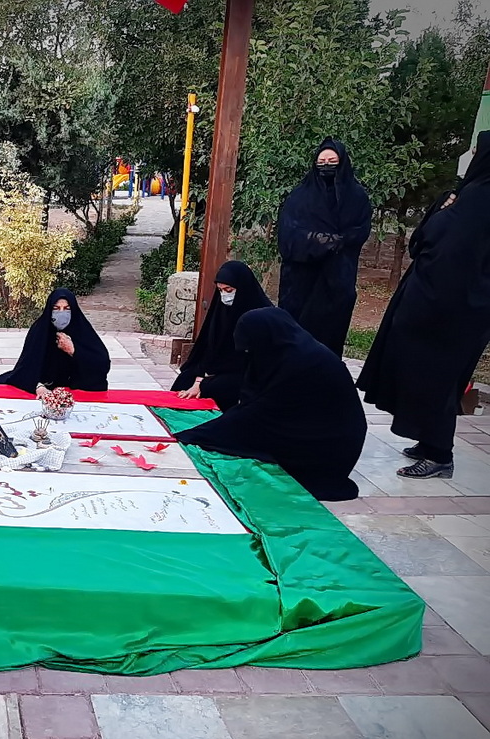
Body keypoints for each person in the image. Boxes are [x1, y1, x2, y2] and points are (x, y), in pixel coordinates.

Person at [356, 130, 490, 479]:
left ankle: (440, 455)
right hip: (441, 306)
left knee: (437, 378)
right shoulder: (469, 194)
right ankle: (428, 440)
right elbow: (427, 242)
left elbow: (441, 246)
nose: (470, 155)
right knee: (423, 373)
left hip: (450, 313)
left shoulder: (481, 202)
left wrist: (444, 211)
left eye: (476, 150)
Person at [176, 307, 367, 502]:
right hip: (317, 429)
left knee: (247, 435)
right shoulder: (289, 350)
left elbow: (257, 414)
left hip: (328, 448)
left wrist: (194, 435)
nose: (250, 355)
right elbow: (248, 388)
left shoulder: (302, 363)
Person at [277, 138, 372, 357]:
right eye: (321, 162)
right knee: (294, 337)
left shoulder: (357, 197)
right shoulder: (300, 196)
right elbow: (288, 234)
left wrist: (339, 241)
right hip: (301, 282)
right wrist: (321, 241)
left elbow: (361, 230)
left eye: (332, 161)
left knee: (328, 339)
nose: (326, 166)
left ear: (342, 163)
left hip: (337, 280)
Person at [171, 261, 273, 410]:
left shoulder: (261, 314)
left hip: (246, 372)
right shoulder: (221, 310)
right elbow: (209, 346)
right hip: (217, 369)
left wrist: (205, 381)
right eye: (220, 290)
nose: (224, 295)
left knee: (213, 388)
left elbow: (253, 358)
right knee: (186, 378)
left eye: (228, 290)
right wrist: (200, 376)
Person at [0, 288, 110, 396]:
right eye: (56, 309)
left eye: (67, 309)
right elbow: (26, 366)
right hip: (44, 387)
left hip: (75, 389)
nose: (62, 313)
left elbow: (102, 364)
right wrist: (38, 386)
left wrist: (74, 350)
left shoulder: (82, 330)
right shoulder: (40, 330)